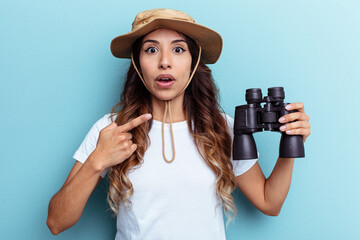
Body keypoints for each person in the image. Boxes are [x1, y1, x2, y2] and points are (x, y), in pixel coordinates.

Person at [46, 8, 311, 239]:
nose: (164, 62)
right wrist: (97, 161)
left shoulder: (221, 127)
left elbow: (269, 202)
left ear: (194, 62)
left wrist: (292, 142)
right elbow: (57, 223)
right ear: (138, 64)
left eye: (178, 49)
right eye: (151, 50)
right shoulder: (113, 129)